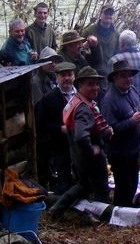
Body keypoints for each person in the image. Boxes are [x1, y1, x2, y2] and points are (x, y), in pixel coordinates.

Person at [48, 67, 114, 217]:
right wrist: (93, 150)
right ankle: (103, 216)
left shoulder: (76, 100)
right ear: (80, 86)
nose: (95, 87)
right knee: (101, 187)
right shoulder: (83, 108)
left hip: (78, 155)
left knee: (83, 185)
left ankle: (57, 209)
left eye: (96, 84)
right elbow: (81, 136)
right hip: (89, 157)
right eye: (90, 84)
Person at [101, 60, 140, 207]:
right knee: (124, 186)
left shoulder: (132, 90)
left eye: (130, 76)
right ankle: (120, 214)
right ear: (115, 78)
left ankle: (130, 209)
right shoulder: (109, 100)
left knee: (133, 182)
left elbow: (138, 114)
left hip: (134, 148)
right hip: (119, 152)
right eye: (123, 76)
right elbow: (108, 129)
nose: (128, 79)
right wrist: (132, 121)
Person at [35, 62, 77, 194]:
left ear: (74, 76)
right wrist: (60, 129)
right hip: (59, 145)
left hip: (79, 143)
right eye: (63, 75)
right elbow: (41, 124)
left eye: (69, 75)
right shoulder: (49, 99)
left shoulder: (80, 95)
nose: (66, 78)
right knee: (63, 176)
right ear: (57, 78)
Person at [106, 30, 140, 109]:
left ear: (121, 43)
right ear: (134, 43)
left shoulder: (114, 60)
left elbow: (108, 86)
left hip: (121, 106)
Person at [81, 4, 120, 75]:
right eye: (106, 13)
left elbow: (118, 54)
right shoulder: (88, 31)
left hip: (110, 72)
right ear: (100, 14)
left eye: (110, 14)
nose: (108, 16)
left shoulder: (116, 34)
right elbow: (80, 51)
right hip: (91, 72)